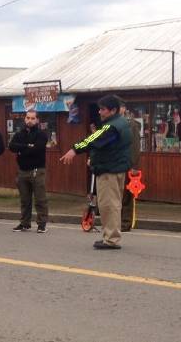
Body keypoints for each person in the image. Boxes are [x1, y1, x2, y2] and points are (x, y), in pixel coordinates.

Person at [60, 95, 132, 250]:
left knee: (108, 205)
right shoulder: (122, 123)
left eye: (103, 109)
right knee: (114, 204)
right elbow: (106, 146)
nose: (100, 112)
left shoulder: (111, 127)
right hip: (117, 168)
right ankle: (111, 236)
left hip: (108, 171)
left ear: (113, 110)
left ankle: (111, 239)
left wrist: (74, 149)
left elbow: (93, 140)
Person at [8, 109, 49, 233]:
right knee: (25, 200)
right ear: (25, 119)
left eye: (32, 118)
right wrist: (27, 146)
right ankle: (25, 223)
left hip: (37, 170)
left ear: (37, 120)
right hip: (22, 171)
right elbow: (11, 146)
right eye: (28, 118)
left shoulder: (42, 134)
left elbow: (37, 149)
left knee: (40, 199)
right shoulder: (20, 133)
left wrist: (22, 149)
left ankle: (42, 224)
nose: (30, 120)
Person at [119, 100, 141, 232]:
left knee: (127, 194)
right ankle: (117, 221)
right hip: (116, 164)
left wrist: (134, 165)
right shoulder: (113, 123)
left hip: (127, 163)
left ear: (123, 109)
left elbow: (135, 146)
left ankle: (125, 222)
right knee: (118, 194)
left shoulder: (131, 124)